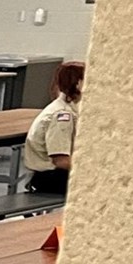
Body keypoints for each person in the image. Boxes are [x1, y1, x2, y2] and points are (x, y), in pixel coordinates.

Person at [25, 60, 84, 196]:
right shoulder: (62, 115)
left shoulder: (67, 108)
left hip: (57, 176)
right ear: (78, 84)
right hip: (51, 178)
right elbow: (61, 161)